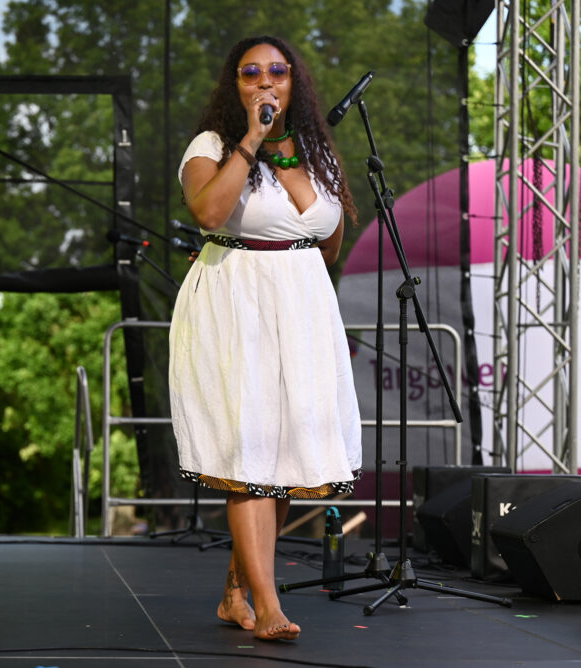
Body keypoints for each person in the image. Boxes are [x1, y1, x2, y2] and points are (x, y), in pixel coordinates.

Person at [169, 36, 362, 641]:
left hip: (300, 307)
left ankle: (235, 591)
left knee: (284, 461)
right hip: (236, 302)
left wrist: (287, 157)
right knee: (251, 454)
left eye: (277, 72)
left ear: (293, 83)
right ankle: (268, 603)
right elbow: (208, 212)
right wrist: (253, 141)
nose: (265, 81)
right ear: (236, 85)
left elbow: (325, 235)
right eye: (251, 73)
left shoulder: (313, 151)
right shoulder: (212, 147)